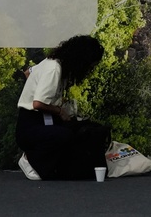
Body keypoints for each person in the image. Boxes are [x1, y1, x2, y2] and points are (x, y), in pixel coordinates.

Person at [15, 34, 109, 180]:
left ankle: (64, 168)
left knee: (84, 129)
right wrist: (59, 110)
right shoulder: (54, 68)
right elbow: (37, 103)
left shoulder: (52, 63)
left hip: (46, 119)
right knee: (64, 135)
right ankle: (29, 159)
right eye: (90, 65)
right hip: (31, 124)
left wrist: (42, 90)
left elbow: (29, 73)